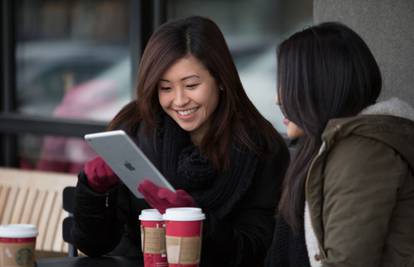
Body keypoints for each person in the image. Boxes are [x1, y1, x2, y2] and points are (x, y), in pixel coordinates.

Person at [72, 16, 290, 266]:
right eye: (165, 88)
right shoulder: (135, 130)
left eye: (191, 85)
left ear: (220, 79)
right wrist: (95, 191)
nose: (179, 101)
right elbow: (94, 245)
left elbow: (257, 250)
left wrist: (194, 223)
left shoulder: (260, 147)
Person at [265, 21, 414, 267]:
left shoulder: (362, 152)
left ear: (319, 86)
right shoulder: (321, 148)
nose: (278, 97)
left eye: (288, 82)